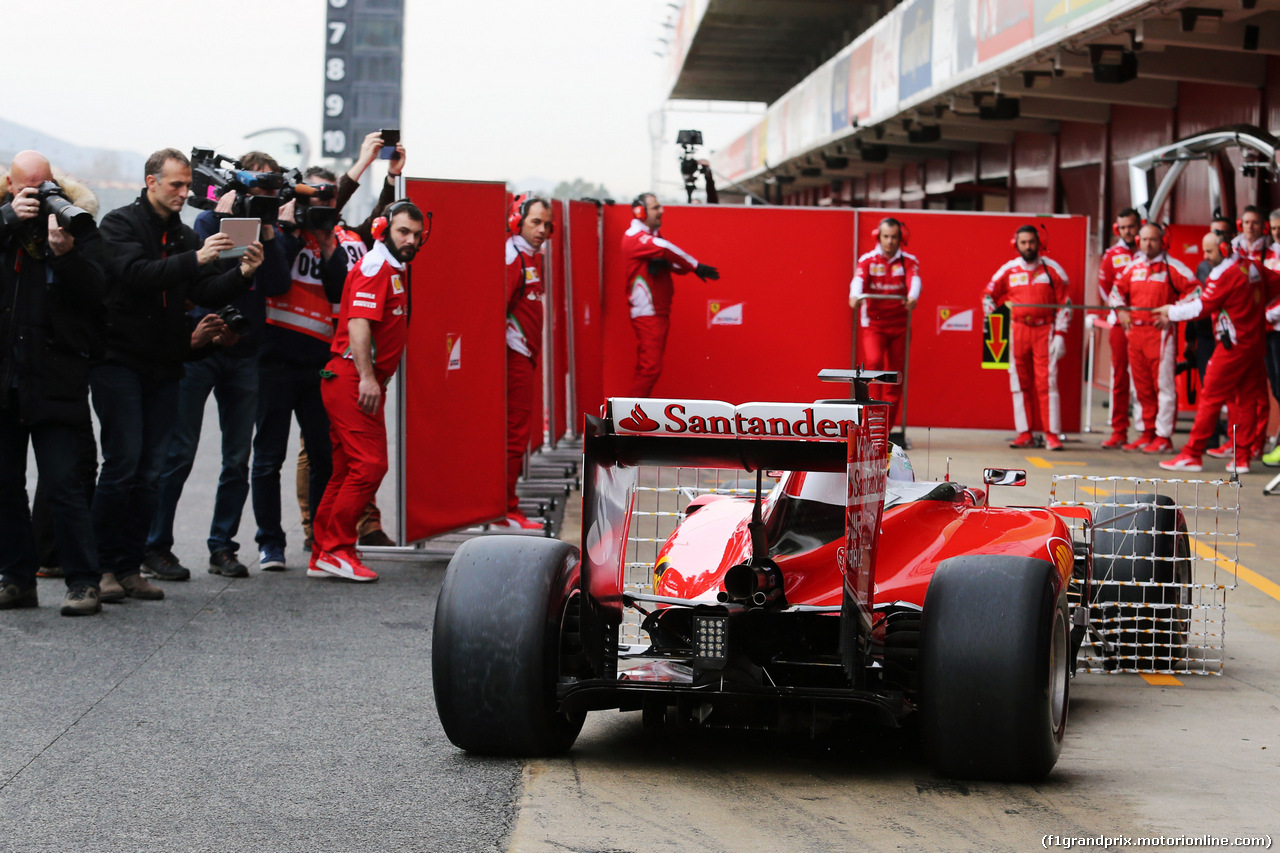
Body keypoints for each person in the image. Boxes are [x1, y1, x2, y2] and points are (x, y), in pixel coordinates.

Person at [93, 149, 263, 603]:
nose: (185, 193)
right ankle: (101, 568)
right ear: (150, 182)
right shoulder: (119, 224)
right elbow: (136, 274)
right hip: (119, 363)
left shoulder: (184, 234)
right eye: (176, 185)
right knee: (122, 464)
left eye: (188, 186)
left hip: (165, 366)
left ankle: (130, 566)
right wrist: (199, 258)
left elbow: (202, 290)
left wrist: (243, 273)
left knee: (150, 471)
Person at [143, 152, 290, 581]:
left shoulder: (270, 229)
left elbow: (277, 284)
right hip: (204, 346)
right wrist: (217, 222)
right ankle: (155, 546)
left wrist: (269, 232)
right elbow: (200, 278)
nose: (264, 197)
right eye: (256, 190)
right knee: (179, 453)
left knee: (236, 459)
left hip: (246, 353)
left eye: (270, 191)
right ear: (239, 187)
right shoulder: (209, 220)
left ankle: (222, 546)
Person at [0, 151, 106, 617]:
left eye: (44, 188)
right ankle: (17, 579)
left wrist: (66, 255)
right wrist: (6, 220)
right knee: (5, 487)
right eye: (26, 188)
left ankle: (84, 582)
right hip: (6, 380)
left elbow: (100, 295)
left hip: (57, 379)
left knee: (65, 485)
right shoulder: (2, 223)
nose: (37, 197)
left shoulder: (76, 225)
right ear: (9, 185)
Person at [293, 133, 405, 551]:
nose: (328, 206)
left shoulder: (354, 238)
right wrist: (361, 162)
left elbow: (382, 223)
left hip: (355, 354)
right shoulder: (310, 235)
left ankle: (364, 524)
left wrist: (391, 178)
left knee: (355, 455)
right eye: (321, 199)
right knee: (320, 448)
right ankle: (314, 530)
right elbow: (327, 207)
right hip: (323, 353)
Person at [310, 200, 425, 582]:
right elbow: (358, 324)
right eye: (402, 232)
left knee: (345, 470)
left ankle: (323, 552)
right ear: (382, 230)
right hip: (352, 378)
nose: (410, 240)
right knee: (371, 464)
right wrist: (367, 378)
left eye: (416, 235)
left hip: (355, 378)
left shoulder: (394, 267)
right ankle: (336, 548)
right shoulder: (376, 266)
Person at [1155, 231, 1271, 474]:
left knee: (1210, 398)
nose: (1205, 257)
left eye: (1209, 251)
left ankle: (1192, 453)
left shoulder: (1225, 275)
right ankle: (1242, 458)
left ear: (1224, 249)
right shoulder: (1253, 267)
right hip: (1254, 344)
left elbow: (1203, 307)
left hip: (1232, 347)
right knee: (1247, 401)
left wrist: (1171, 311)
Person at [1109, 223, 1197, 454]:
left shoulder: (1174, 267)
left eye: (1153, 240)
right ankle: (1146, 432)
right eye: (1145, 239)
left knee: (1164, 386)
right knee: (1141, 387)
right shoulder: (1132, 267)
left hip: (1161, 334)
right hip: (1135, 333)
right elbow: (1116, 292)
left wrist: (1173, 312)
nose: (1148, 244)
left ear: (1163, 242)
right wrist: (1122, 310)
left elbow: (1197, 292)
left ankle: (1163, 436)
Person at [983, 225, 1072, 451]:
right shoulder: (1008, 270)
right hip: (1017, 331)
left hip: (1045, 331)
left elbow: (1065, 305)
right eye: (1023, 242)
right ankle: (1025, 433)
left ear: (1039, 243)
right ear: (1016, 244)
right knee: (1019, 383)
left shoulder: (1054, 271)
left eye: (1031, 242)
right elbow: (987, 295)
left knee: (1047, 382)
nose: (1028, 246)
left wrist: (1060, 334)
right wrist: (997, 320)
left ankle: (1051, 434)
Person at [622, 193, 719, 396]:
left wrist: (684, 266)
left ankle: (630, 420)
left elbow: (676, 265)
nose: (661, 211)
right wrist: (696, 266)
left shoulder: (651, 238)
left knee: (648, 368)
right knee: (650, 369)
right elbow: (666, 249)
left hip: (657, 311)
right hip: (648, 312)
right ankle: (624, 421)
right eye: (655, 207)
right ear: (640, 211)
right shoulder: (634, 237)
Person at [501, 195, 553, 532]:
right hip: (514, 355)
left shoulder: (531, 256)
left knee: (517, 434)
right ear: (517, 219)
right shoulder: (512, 256)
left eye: (547, 224)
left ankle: (505, 506)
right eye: (536, 222)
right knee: (513, 435)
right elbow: (496, 310)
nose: (543, 230)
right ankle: (504, 508)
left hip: (525, 354)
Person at [848, 217, 920, 432]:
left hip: (900, 325)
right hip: (874, 325)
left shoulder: (909, 261)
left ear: (901, 238)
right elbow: (858, 281)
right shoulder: (868, 260)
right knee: (873, 363)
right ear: (878, 237)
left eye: (894, 237)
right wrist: (854, 296)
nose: (889, 241)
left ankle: (885, 429)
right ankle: (867, 422)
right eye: (886, 236)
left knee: (894, 377)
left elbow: (915, 282)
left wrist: (913, 297)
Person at [1097, 208, 1141, 449]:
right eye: (1123, 227)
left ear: (1139, 226)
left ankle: (1148, 432)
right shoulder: (1111, 255)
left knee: (1147, 380)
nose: (1127, 232)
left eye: (1131, 226)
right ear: (1117, 229)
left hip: (1146, 324)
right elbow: (1105, 288)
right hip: (1119, 323)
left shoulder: (1149, 251)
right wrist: (1119, 310)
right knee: (1119, 378)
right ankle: (1119, 430)